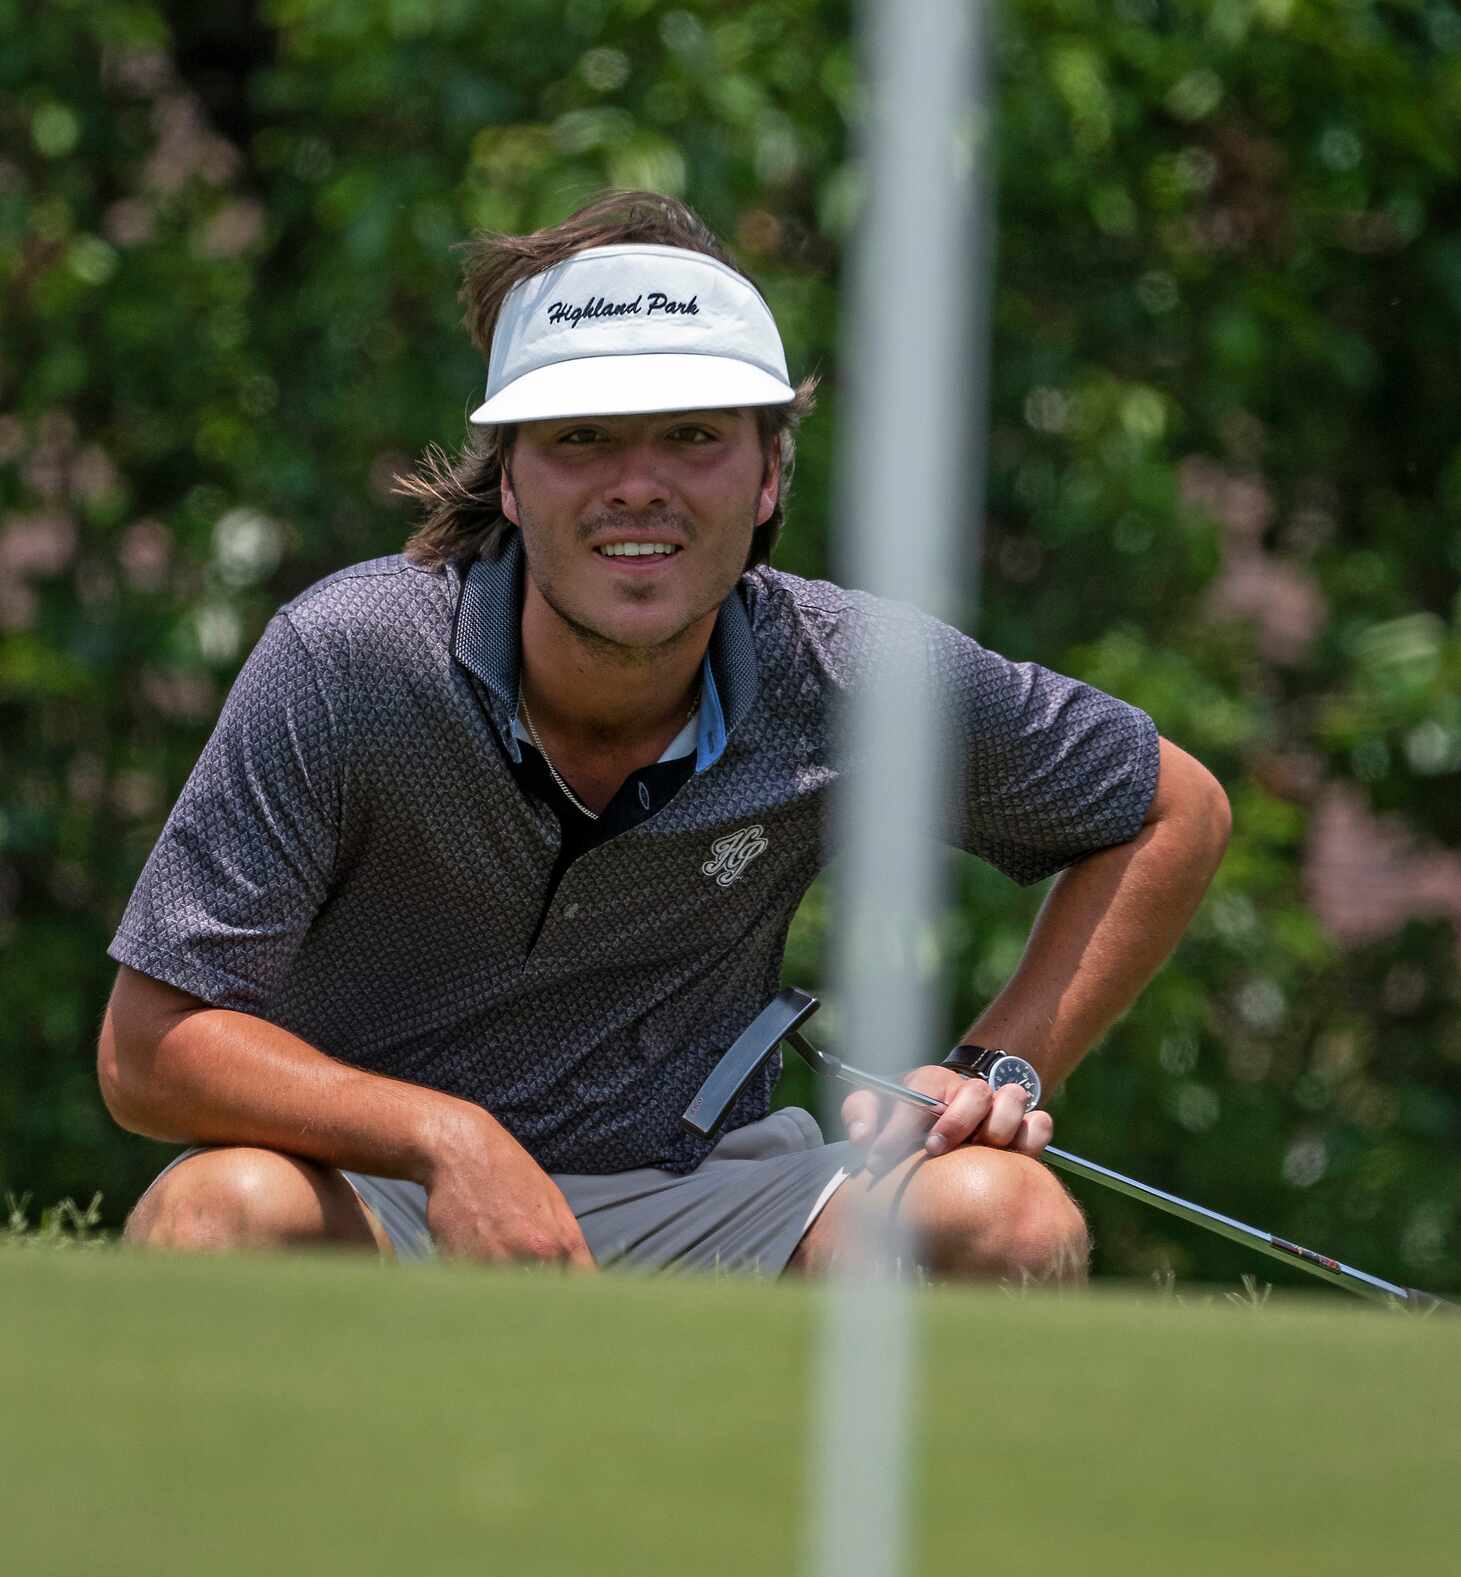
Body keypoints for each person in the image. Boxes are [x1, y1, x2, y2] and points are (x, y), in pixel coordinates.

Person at [98, 190, 1230, 1281]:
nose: (638, 489)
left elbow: (1175, 809)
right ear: (510, 481)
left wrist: (1000, 1064)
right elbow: (147, 1050)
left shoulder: (854, 674)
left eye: (693, 437)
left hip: (709, 1194)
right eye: (583, 438)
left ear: (770, 472)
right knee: (220, 1211)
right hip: (383, 1187)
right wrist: (448, 1139)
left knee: (1006, 1217)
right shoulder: (348, 655)